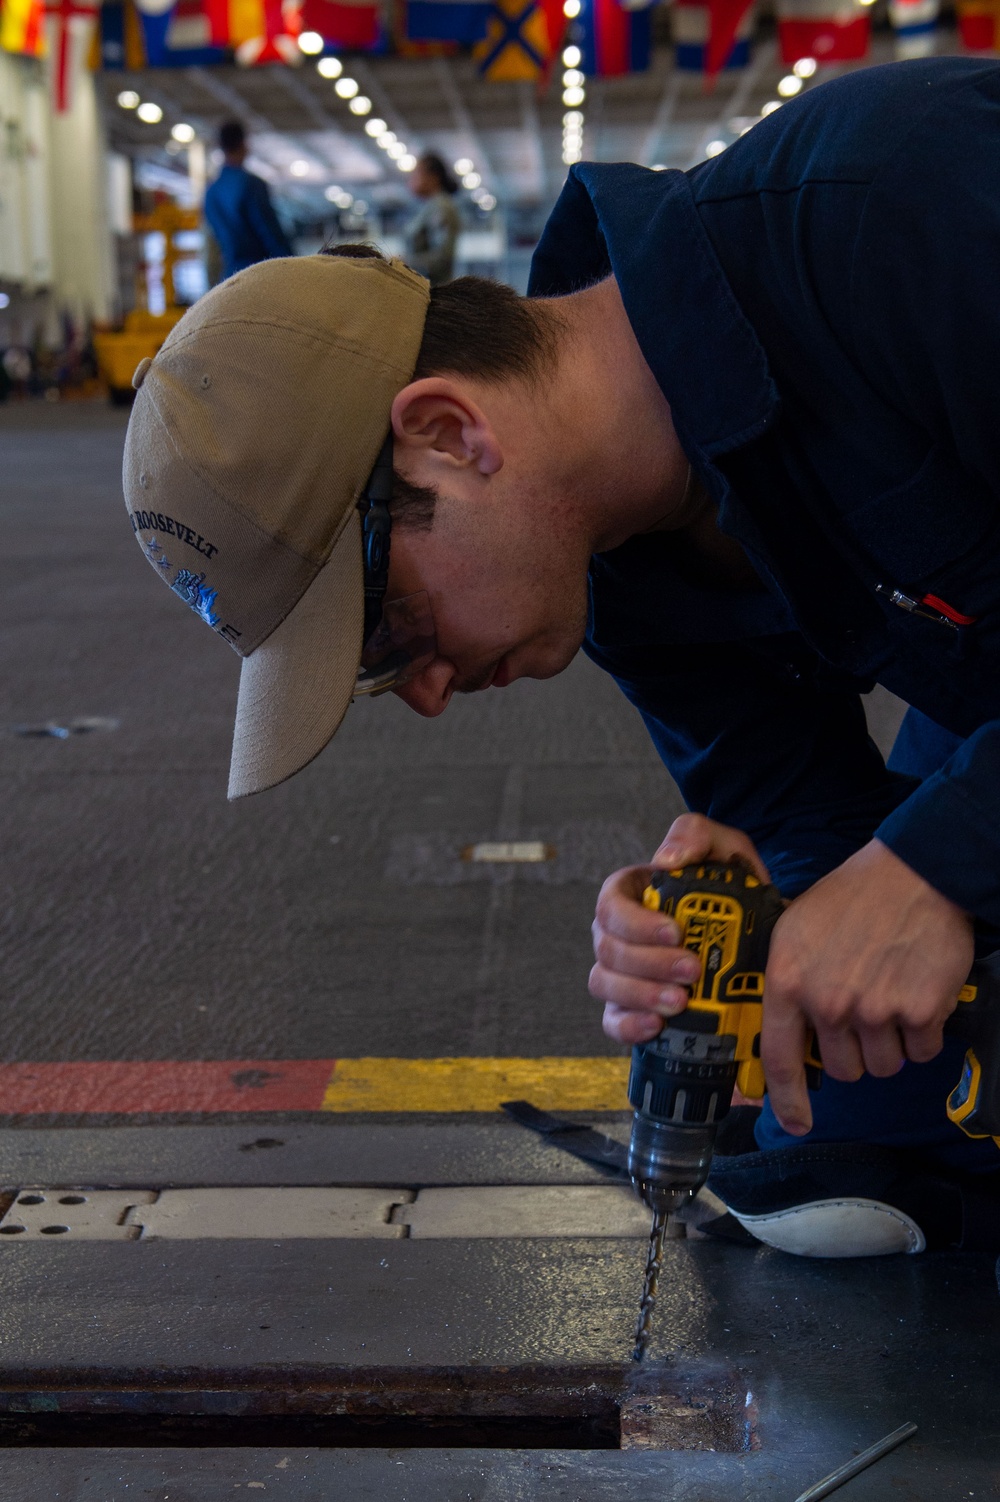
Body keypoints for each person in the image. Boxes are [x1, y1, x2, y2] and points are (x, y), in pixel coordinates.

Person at [123, 59, 1000, 1259]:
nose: (426, 692)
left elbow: (918, 874)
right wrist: (739, 928)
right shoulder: (626, 579)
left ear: (446, 432)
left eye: (388, 634)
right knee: (816, 1104)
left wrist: (937, 864)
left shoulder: (899, 204)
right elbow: (813, 828)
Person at [203, 120, 293, 282]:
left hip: (229, 277)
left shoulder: (211, 192)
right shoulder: (251, 184)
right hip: (260, 274)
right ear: (244, 145)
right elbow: (269, 232)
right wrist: (292, 266)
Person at [403, 153, 462, 286]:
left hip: (433, 291)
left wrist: (405, 262)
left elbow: (442, 258)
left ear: (433, 177)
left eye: (416, 175)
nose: (411, 180)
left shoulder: (442, 207)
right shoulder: (428, 207)